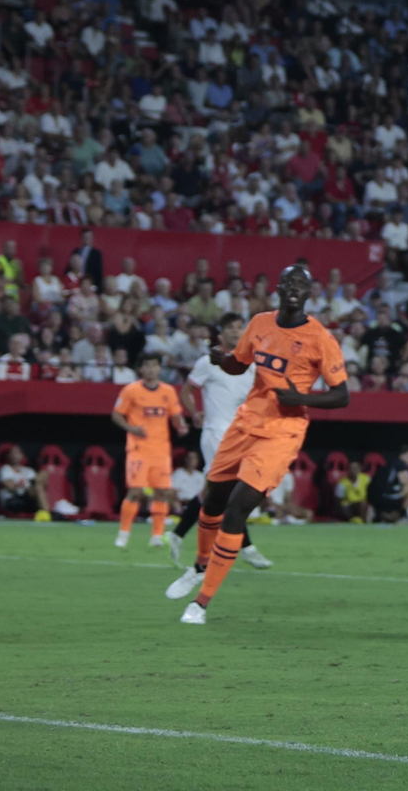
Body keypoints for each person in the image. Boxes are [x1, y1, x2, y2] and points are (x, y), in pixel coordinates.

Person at [165, 264, 349, 624]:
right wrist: (224, 362)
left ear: (310, 294)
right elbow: (240, 364)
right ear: (278, 288)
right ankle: (200, 566)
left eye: (302, 283)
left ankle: (200, 603)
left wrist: (301, 398)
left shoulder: (320, 338)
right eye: (289, 282)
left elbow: (342, 396)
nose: (295, 287)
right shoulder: (260, 323)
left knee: (236, 509)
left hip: (281, 433)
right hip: (244, 423)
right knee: (213, 500)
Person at [176, 314, 271, 570]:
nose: (236, 332)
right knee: (231, 490)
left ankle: (177, 534)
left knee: (213, 493)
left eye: (240, 328)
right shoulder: (208, 362)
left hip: (242, 434)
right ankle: (247, 548)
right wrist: (194, 413)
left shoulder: (249, 364)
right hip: (216, 433)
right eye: (231, 328)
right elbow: (186, 391)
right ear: (220, 334)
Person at [110, 352, 187, 549]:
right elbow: (117, 415)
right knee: (135, 491)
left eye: (155, 365)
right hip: (138, 448)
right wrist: (132, 429)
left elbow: (176, 414)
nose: (151, 369)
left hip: (161, 450)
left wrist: (181, 426)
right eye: (147, 365)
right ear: (140, 369)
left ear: (159, 368)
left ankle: (157, 535)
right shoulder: (131, 390)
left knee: (161, 492)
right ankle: (124, 533)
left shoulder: (168, 391)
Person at [0, 445, 44, 516]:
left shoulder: (28, 471)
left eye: (17, 453)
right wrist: (27, 485)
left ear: (22, 455)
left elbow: (36, 483)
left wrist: (32, 484)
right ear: (8, 456)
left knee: (43, 477)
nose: (14, 456)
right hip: (12, 499)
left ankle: (47, 513)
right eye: (11, 453)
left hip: (28, 497)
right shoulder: (5, 469)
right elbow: (11, 487)